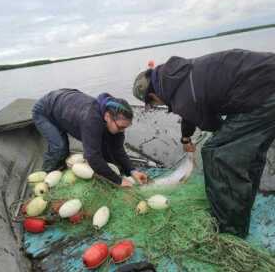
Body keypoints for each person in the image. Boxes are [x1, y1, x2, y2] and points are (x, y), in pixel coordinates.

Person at [132, 49, 275, 237]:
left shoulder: (181, 95)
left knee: (216, 154)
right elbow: (189, 110)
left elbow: (214, 125)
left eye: (153, 104)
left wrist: (217, 139)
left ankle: (230, 228)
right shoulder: (177, 76)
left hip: (263, 92)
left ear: (153, 96)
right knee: (249, 152)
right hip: (264, 80)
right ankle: (242, 204)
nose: (157, 106)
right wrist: (186, 138)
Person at [32, 89, 148, 188]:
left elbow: (117, 149)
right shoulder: (91, 120)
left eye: (126, 127)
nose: (122, 131)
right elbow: (92, 157)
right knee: (60, 148)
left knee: (106, 147)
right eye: (121, 127)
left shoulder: (113, 117)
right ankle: (45, 178)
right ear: (107, 116)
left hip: (64, 104)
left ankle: (59, 168)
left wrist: (132, 171)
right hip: (45, 111)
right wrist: (119, 181)